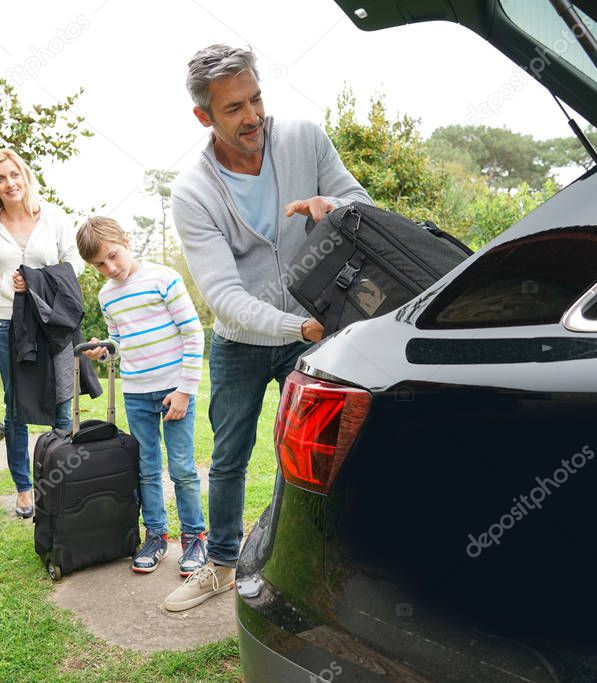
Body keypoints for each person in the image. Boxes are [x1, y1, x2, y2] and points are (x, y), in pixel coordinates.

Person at [164, 44, 372, 611]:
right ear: (204, 117)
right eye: (233, 108)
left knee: (314, 450)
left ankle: (311, 555)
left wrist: (331, 207)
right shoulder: (192, 193)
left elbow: (362, 203)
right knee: (229, 456)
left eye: (255, 98)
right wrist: (298, 328)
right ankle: (221, 566)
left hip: (314, 325)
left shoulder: (304, 137)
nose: (252, 116)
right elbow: (225, 299)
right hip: (244, 342)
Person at [76, 216, 208, 577]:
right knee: (147, 469)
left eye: (113, 256)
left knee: (181, 468)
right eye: (100, 265)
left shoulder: (164, 279)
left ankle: (195, 538)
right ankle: (156, 536)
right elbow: (119, 342)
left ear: (127, 241)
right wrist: (104, 351)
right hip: (136, 393)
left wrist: (184, 390)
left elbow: (193, 335)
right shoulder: (107, 296)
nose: (111, 268)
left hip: (173, 392)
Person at [0, 149, 84, 519]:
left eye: (15, 175)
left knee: (62, 403)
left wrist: (38, 280)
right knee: (16, 407)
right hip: (8, 324)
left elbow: (74, 260)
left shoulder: (53, 216)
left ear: (25, 176)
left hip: (52, 322)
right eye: (1, 178)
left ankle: (59, 483)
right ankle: (25, 490)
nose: (10, 183)